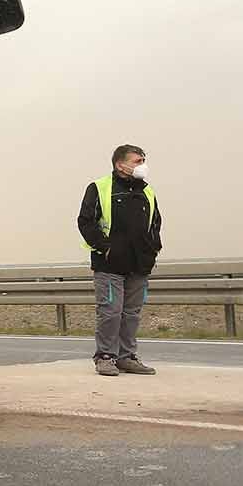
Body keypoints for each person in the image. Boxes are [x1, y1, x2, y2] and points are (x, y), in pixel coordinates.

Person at [77, 144, 162, 376]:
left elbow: (155, 224)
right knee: (110, 312)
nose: (142, 165)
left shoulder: (147, 191)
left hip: (139, 265)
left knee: (131, 313)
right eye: (137, 161)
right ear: (120, 164)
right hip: (110, 264)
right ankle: (105, 356)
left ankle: (127, 357)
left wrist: (152, 251)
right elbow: (86, 222)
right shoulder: (99, 187)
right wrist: (105, 248)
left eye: (143, 160)